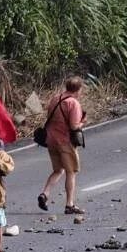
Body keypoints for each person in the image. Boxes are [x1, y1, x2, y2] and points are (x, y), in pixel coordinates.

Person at [38, 76, 86, 215]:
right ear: (78, 89)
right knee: (71, 172)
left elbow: (49, 116)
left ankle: (45, 194)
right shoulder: (73, 103)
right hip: (65, 141)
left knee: (58, 170)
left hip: (51, 139)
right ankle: (69, 204)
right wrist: (83, 122)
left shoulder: (55, 98)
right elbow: (74, 125)